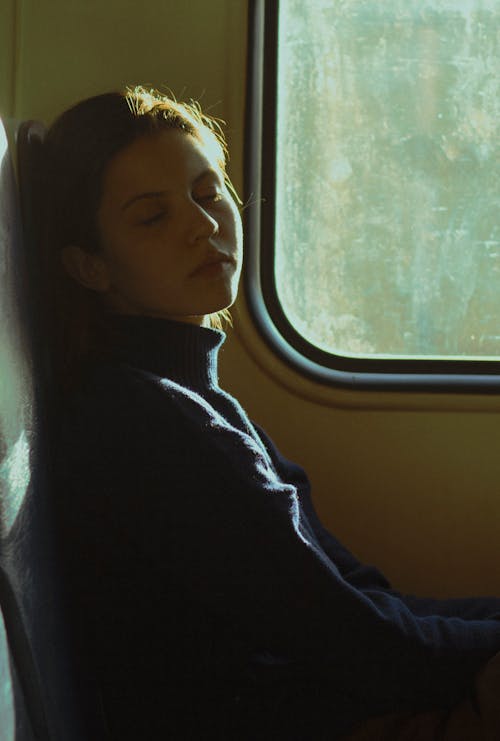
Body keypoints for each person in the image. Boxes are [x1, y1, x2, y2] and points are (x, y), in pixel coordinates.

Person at [38, 86, 500, 740]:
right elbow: (370, 647)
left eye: (207, 191)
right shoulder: (146, 425)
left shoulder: (192, 398)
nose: (202, 225)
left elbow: (365, 595)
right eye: (151, 217)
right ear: (89, 265)